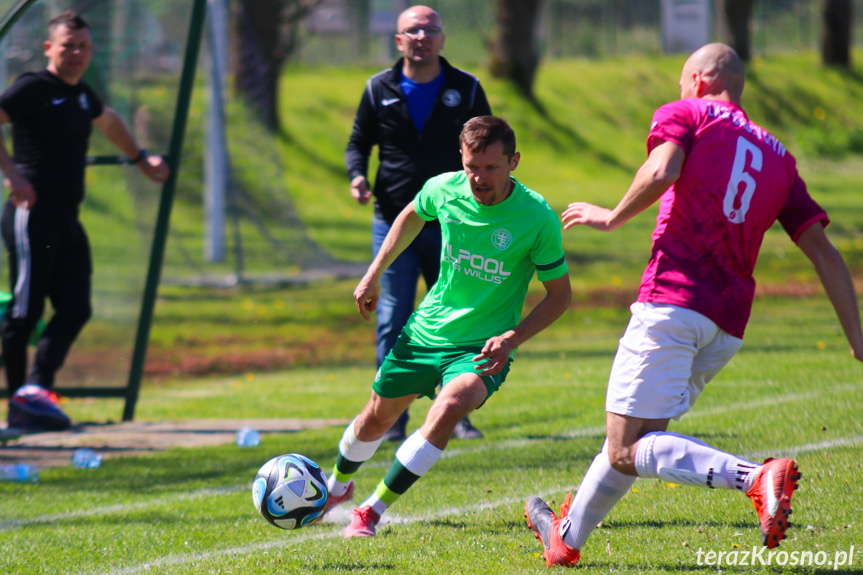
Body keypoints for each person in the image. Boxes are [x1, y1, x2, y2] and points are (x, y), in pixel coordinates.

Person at [525, 43, 863, 568]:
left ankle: (755, 477)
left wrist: (611, 215)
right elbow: (822, 249)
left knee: (624, 448)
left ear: (700, 80)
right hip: (726, 324)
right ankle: (565, 541)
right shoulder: (779, 157)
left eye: (683, 82)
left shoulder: (689, 112)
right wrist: (857, 339)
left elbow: (662, 170)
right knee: (638, 441)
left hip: (674, 301)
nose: (680, 91)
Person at [327, 115, 571, 538]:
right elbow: (410, 215)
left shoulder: (537, 218)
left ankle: (370, 510)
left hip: (481, 347)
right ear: (461, 157)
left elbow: (561, 296)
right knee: (374, 420)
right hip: (426, 332)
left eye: (492, 167)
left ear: (514, 162)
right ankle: (335, 488)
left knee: (450, 407)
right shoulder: (443, 188)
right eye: (472, 166)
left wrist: (512, 338)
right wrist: (374, 273)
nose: (479, 177)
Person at [0, 11, 169, 431]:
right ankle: (19, 405)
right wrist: (13, 175)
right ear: (48, 49)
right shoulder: (32, 88)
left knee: (76, 307)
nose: (76, 53)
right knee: (25, 312)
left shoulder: (80, 94)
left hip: (66, 217)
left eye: (83, 46)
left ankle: (36, 392)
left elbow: (107, 119)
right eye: (67, 46)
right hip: (30, 213)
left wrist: (139, 157)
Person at [345, 5, 492, 442]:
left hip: (455, 224)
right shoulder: (378, 88)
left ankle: (457, 412)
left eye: (430, 30)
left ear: (443, 39)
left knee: (459, 317)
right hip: (395, 221)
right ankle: (389, 420)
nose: (422, 37)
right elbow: (358, 142)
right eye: (413, 31)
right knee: (392, 317)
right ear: (398, 40)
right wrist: (357, 176)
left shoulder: (466, 88)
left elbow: (488, 141)